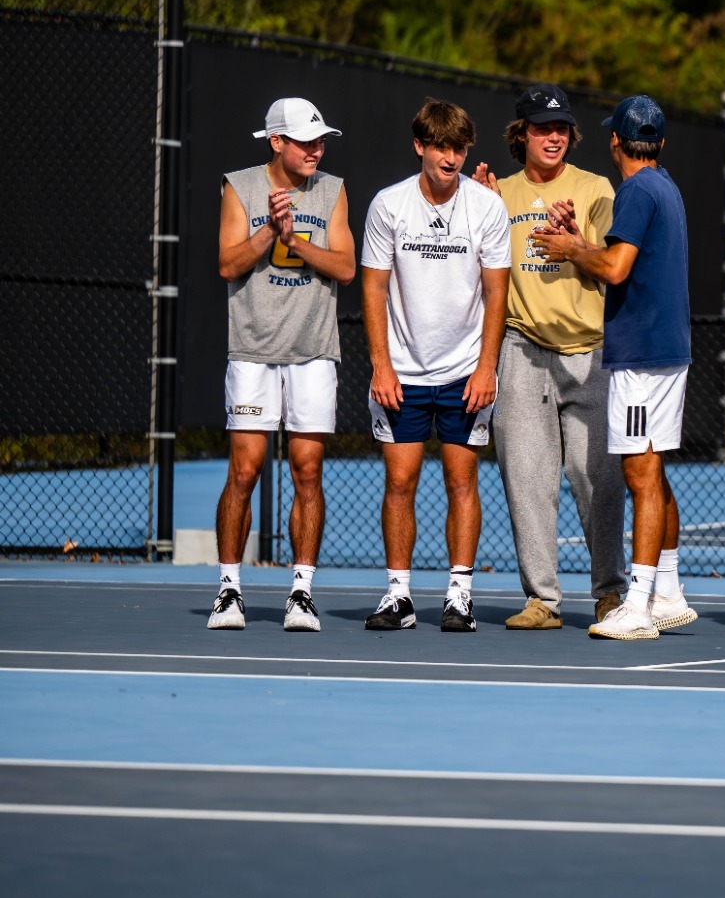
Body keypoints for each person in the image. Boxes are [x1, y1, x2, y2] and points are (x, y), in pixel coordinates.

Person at [532, 95, 700, 642]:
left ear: (614, 142)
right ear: (660, 143)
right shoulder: (666, 185)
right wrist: (579, 241)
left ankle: (639, 603)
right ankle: (669, 591)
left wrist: (569, 250)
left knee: (640, 475)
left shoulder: (634, 190)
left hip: (641, 354)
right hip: (666, 349)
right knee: (654, 472)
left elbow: (615, 267)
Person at [472, 84, 627, 630]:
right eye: (542, 128)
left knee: (599, 482)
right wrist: (474, 205)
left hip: (590, 352)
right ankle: (542, 600)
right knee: (528, 480)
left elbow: (614, 262)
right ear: (522, 134)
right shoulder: (495, 195)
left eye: (561, 128)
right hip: (521, 348)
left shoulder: (596, 188)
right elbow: (477, 272)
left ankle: (610, 592)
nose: (554, 137)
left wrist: (574, 239)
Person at [359, 100, 511, 632]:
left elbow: (498, 292)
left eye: (461, 147)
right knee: (399, 482)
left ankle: (459, 595)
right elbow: (373, 286)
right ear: (420, 146)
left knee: (460, 480)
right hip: (401, 370)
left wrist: (486, 367)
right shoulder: (388, 205)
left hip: (465, 369)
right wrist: (381, 365)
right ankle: (398, 597)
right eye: (442, 146)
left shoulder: (487, 208)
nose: (452, 157)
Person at [208, 98, 355, 632]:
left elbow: (346, 266)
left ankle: (301, 592)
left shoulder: (333, 190)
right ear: (276, 142)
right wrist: (270, 230)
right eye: (305, 141)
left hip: (314, 351)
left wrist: (295, 239)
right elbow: (227, 263)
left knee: (307, 472)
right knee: (244, 472)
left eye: (320, 141)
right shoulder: (239, 186)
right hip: (252, 350)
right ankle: (229, 590)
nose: (316, 150)